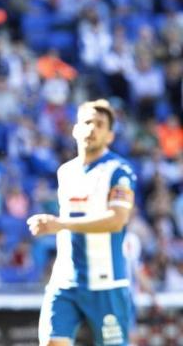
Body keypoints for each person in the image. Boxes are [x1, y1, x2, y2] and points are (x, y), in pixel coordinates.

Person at [27, 99, 136, 346]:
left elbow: (117, 220)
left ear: (109, 136)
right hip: (65, 279)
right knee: (52, 342)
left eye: (100, 124)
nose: (92, 128)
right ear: (75, 129)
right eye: (87, 122)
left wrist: (61, 224)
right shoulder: (66, 171)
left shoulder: (120, 171)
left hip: (106, 281)